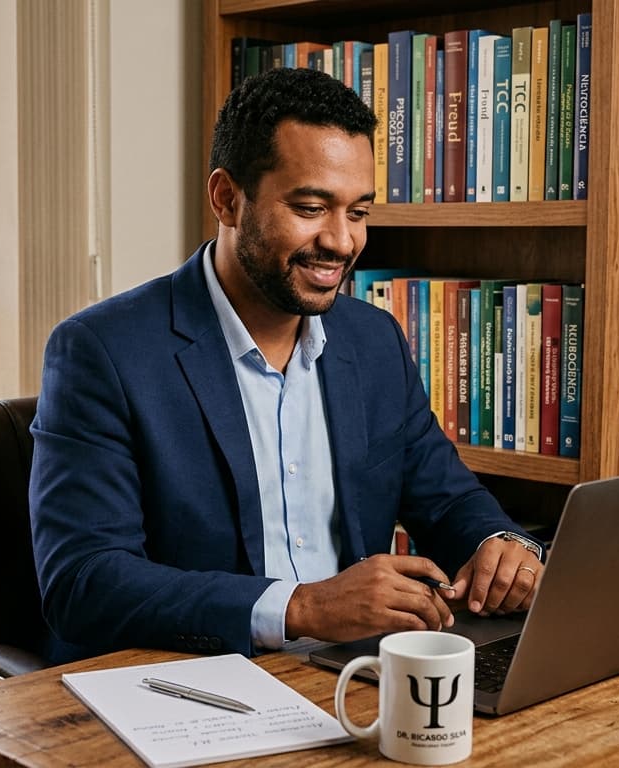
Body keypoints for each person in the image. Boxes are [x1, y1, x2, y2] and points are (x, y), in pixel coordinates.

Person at [29, 67, 544, 666]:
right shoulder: (102, 352)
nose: (341, 242)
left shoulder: (373, 339)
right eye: (310, 207)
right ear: (227, 198)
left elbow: (448, 499)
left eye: (357, 212)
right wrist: (300, 607)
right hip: (194, 684)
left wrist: (500, 545)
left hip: (354, 672)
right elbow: (83, 581)